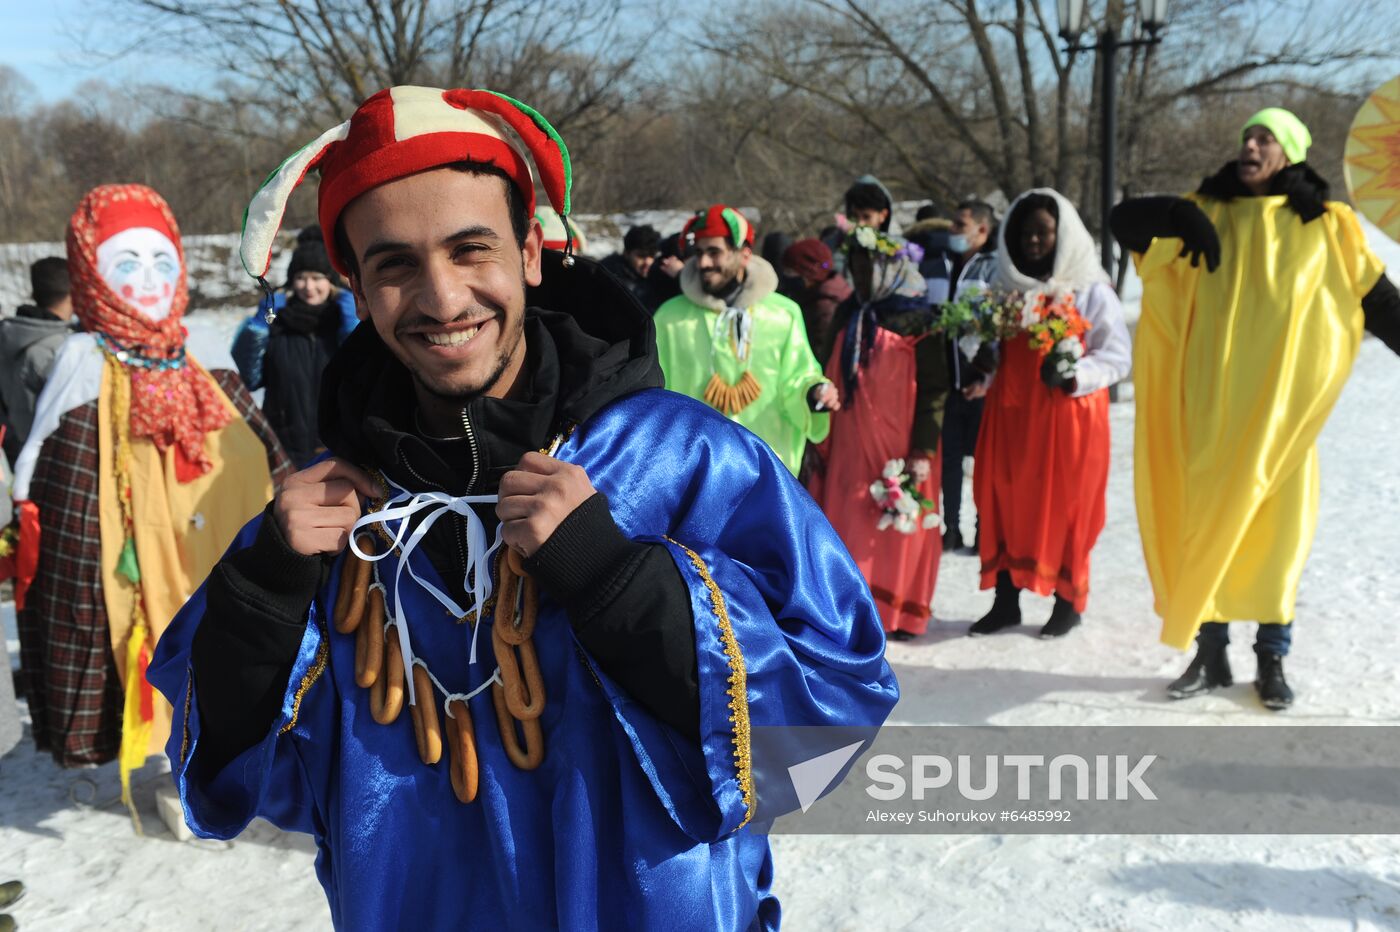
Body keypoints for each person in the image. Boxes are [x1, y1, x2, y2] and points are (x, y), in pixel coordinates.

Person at [148, 86, 897, 930]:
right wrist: (267, 591)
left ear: (533, 252)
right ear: (354, 281)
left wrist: (617, 580)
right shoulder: (331, 518)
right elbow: (236, 776)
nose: (442, 298)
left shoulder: (683, 461)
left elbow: (828, 735)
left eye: (472, 248)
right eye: (393, 265)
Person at [9, 185, 291, 809]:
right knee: (152, 645)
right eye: (126, 265)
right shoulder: (83, 358)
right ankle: (173, 767)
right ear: (92, 275)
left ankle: (224, 751)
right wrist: (27, 520)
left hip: (215, 540)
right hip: (135, 553)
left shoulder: (203, 352)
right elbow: (43, 455)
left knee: (223, 642)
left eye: (162, 263)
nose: (147, 281)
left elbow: (258, 438)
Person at [1111, 108, 1400, 709]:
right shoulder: (1203, 210)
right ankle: (1210, 655)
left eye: (1266, 136)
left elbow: (1380, 302)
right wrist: (1176, 212)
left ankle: (1271, 659)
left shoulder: (1329, 227)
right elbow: (1121, 221)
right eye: (1247, 134)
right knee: (1206, 532)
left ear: (1290, 151)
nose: (1251, 144)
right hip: (1209, 411)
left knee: (1276, 542)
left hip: (1281, 424)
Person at [970, 189, 1131, 639]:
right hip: (1012, 416)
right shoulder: (1005, 289)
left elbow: (1117, 356)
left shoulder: (1089, 289)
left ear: (1063, 234)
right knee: (1003, 500)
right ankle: (1006, 600)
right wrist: (983, 366)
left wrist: (1075, 371)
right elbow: (998, 350)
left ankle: (1068, 600)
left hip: (1068, 418)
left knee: (1066, 508)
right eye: (1025, 233)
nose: (1033, 241)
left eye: (1043, 231)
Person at [808, 225, 950, 641]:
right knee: (850, 520)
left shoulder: (921, 318)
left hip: (901, 440)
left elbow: (935, 388)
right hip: (850, 438)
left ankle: (900, 611)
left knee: (896, 525)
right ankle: (854, 610)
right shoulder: (849, 312)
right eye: (856, 269)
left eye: (869, 268)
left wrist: (923, 447)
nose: (862, 277)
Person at [653, 204, 839, 475]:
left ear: (743, 254)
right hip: (696, 473)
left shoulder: (782, 314)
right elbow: (655, 394)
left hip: (768, 468)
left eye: (714, 252)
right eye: (700, 252)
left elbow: (798, 377)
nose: (703, 263)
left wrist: (813, 393)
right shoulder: (670, 318)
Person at [231, 226, 359, 466]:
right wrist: (257, 330)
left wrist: (353, 329)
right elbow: (250, 378)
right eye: (301, 277)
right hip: (282, 447)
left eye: (317, 277)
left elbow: (363, 376)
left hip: (339, 449)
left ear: (330, 281)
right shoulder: (278, 323)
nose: (308, 287)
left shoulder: (343, 322)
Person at [920, 200, 1000, 552]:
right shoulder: (935, 265)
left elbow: (999, 328)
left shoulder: (994, 270)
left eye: (959, 225)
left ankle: (985, 530)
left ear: (982, 231)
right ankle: (950, 529)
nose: (950, 231)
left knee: (984, 464)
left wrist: (986, 374)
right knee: (949, 461)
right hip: (944, 384)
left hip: (982, 386)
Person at [0, 258, 75, 464]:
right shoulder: (60, 349)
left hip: (14, 456)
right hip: (51, 462)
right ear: (73, 293)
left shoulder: (11, 338)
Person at [781, 237, 851, 365]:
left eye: (791, 272)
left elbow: (820, 356)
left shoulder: (825, 307)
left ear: (808, 274)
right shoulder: (814, 297)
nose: (787, 278)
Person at [599, 223, 661, 310]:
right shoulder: (608, 277)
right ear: (626, 253)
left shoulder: (661, 274)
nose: (648, 262)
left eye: (652, 255)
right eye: (641, 256)